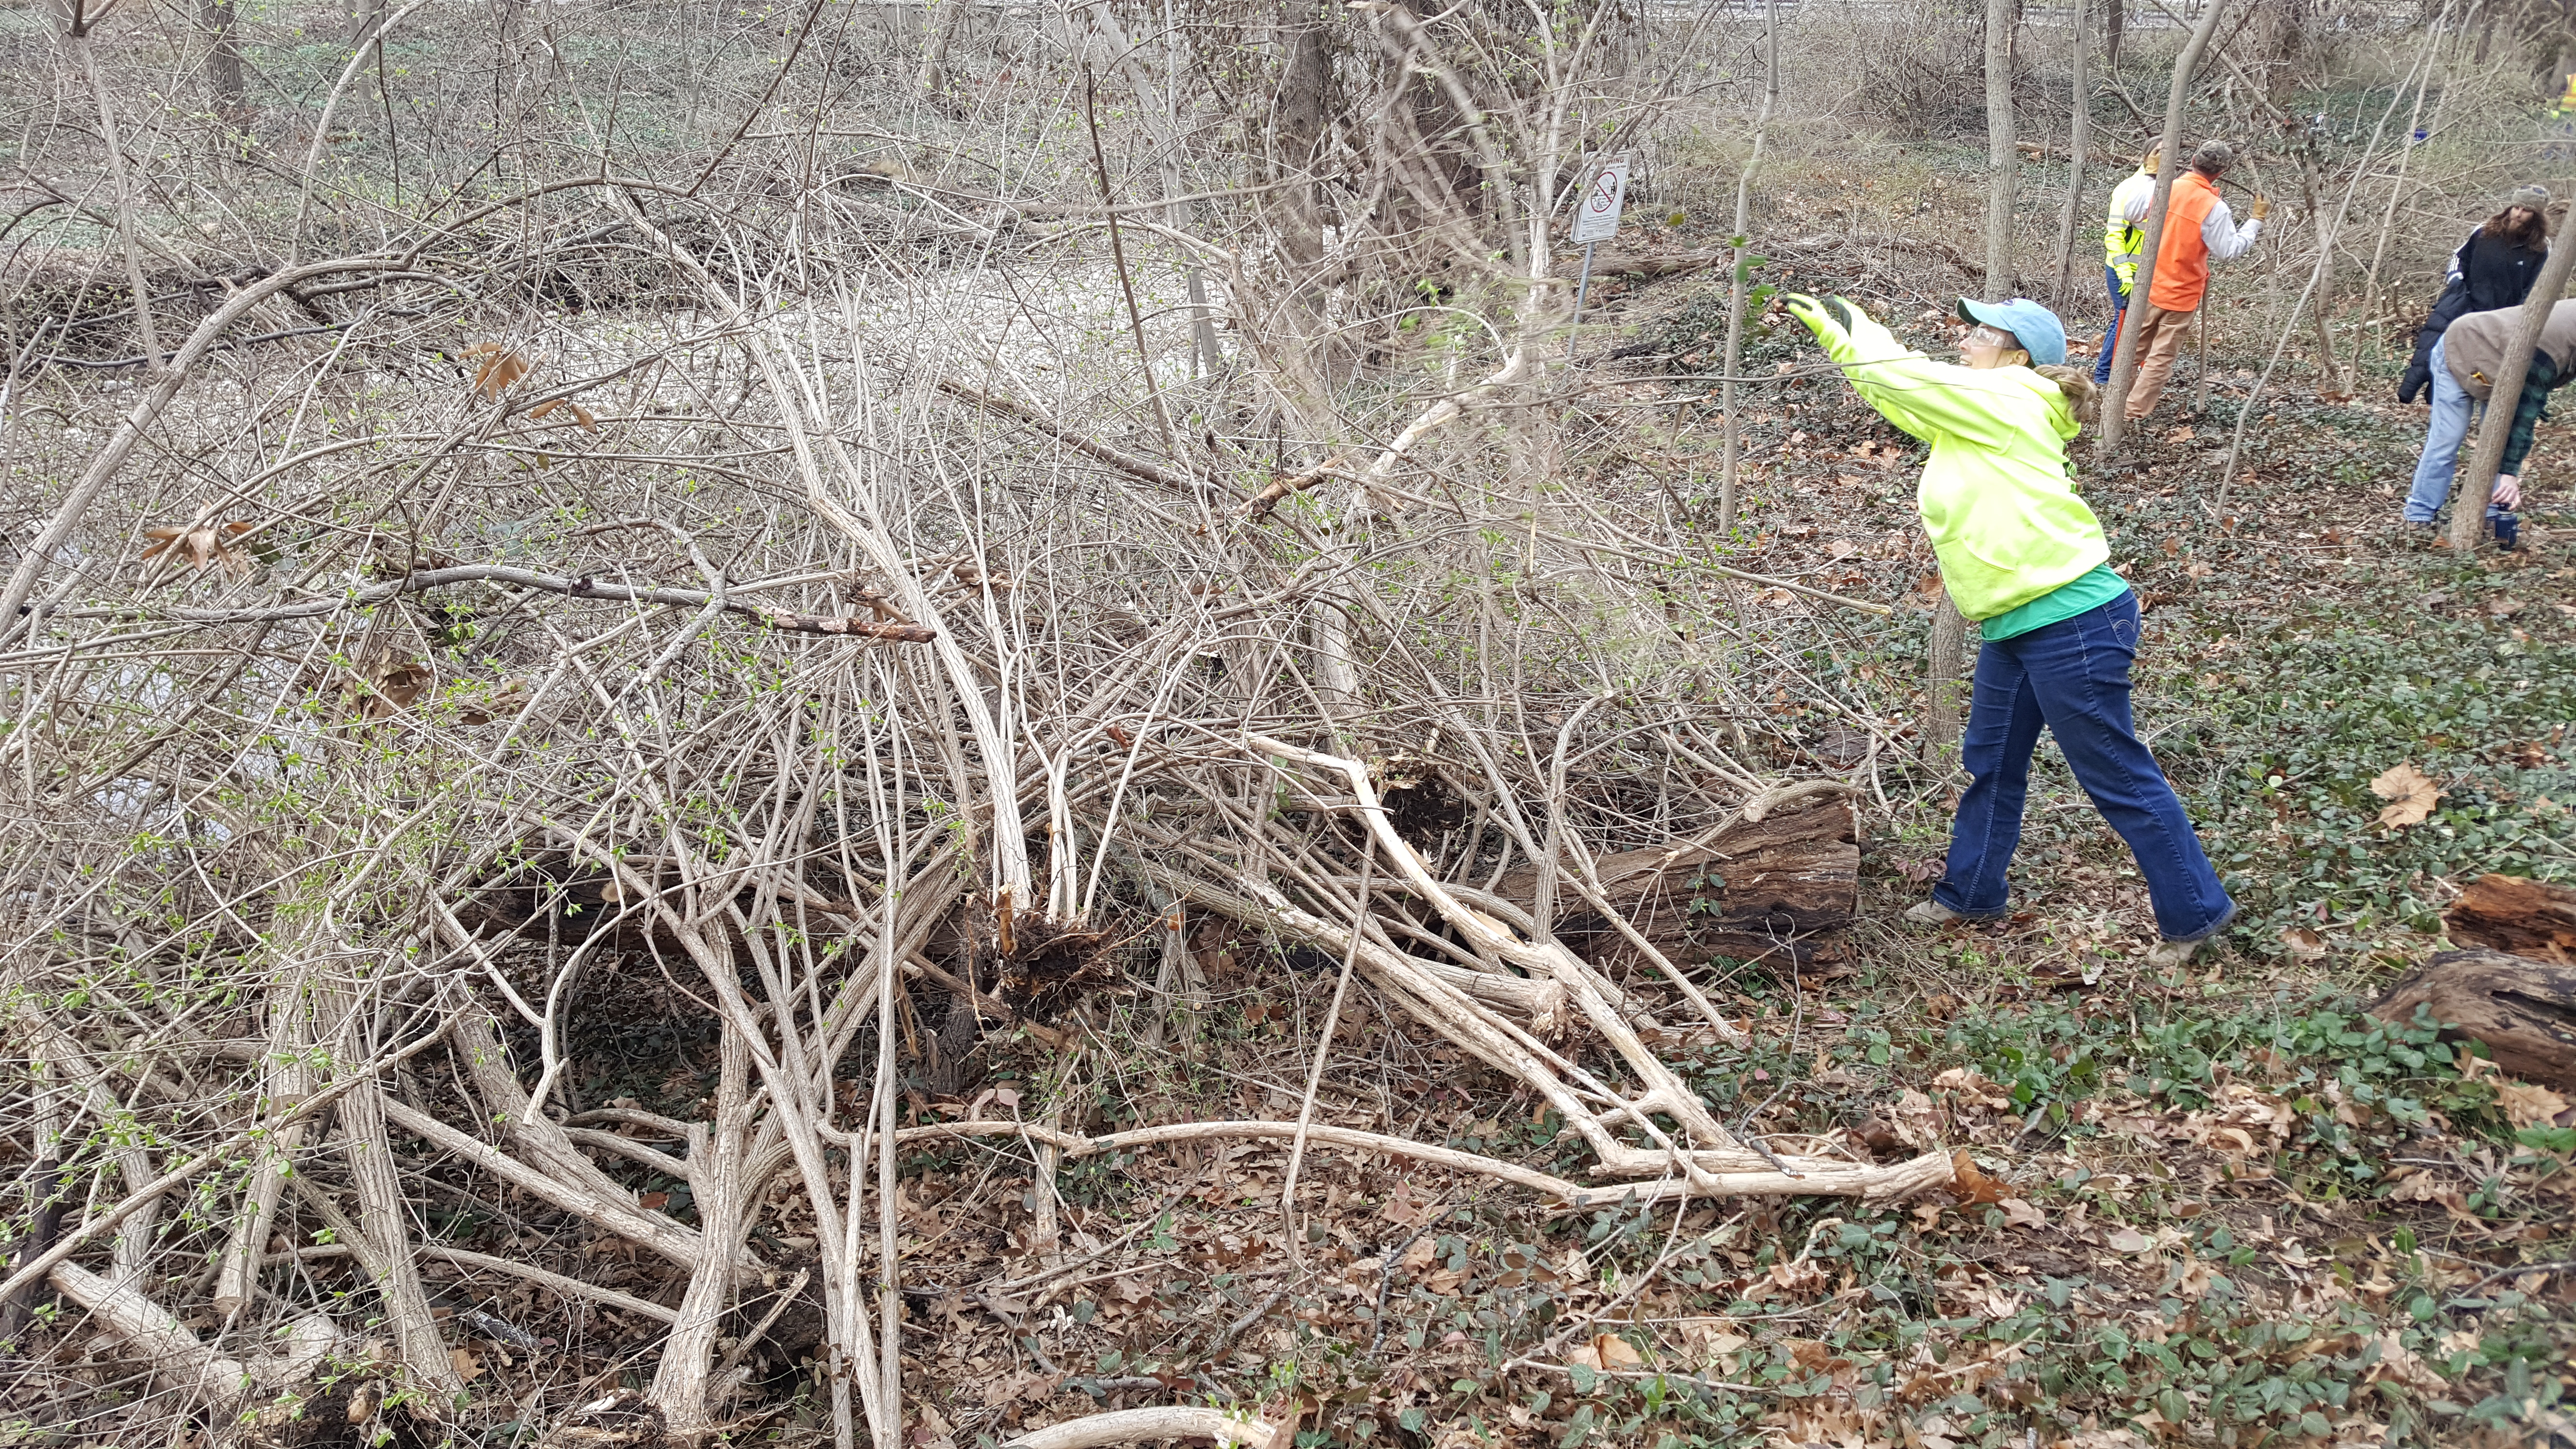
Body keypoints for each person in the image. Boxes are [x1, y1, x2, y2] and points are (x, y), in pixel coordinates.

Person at [1784, 291, 2238, 966]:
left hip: (2072, 619)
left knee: (2114, 772)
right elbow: (1896, 395)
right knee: (1992, 764)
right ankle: (1971, 893)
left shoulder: (2013, 400)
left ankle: (2196, 913)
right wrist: (1846, 348)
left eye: (1981, 334)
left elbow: (1911, 378)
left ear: (2018, 356)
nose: (1964, 341)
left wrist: (1854, 332)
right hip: (2014, 623)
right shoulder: (1975, 416)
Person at [2402, 296, 2576, 550]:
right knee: (2448, 440)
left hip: (2503, 364)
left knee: (2496, 442)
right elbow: (2523, 417)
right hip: (2462, 346)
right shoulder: (2546, 353)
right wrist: (2510, 474)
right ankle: (2419, 513)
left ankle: (2494, 510)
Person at [2119, 140, 2270, 421]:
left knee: (2132, 349)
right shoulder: (2215, 207)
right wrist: (2256, 220)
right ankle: (2132, 414)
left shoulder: (2163, 187)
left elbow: (2131, 212)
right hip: (2181, 294)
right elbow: (2229, 251)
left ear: (2193, 161)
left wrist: (2151, 175)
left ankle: (2114, 405)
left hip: (2148, 286)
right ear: (2222, 172)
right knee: (2160, 359)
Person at [2399, 188, 2551, 404]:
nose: (2518, 214)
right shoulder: (2485, 232)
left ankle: (2439, 397)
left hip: (2496, 316)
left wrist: (2517, 314)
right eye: (2517, 207)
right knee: (2433, 346)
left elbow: (2536, 288)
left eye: (2526, 211)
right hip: (2462, 300)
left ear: (2536, 217)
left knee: (2466, 361)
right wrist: (2456, 282)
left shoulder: (2540, 250)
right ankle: (2409, 392)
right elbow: (2458, 258)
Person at [2095, 146, 2161, 386]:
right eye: (2158, 151)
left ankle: (2131, 374)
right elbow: (2114, 236)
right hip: (2123, 270)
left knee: (2145, 324)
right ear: (2146, 156)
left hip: (2150, 271)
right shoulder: (2128, 189)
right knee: (2122, 321)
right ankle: (2103, 378)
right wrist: (2124, 274)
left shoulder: (2168, 188)